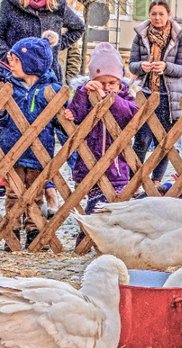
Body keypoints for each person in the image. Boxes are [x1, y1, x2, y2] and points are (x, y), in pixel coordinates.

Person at [64, 42, 139, 246]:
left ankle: (114, 240)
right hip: (90, 163)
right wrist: (82, 94)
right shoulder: (86, 95)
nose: (106, 88)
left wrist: (110, 99)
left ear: (120, 82)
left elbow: (129, 114)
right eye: (102, 83)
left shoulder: (126, 98)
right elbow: (76, 114)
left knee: (116, 206)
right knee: (94, 205)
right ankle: (88, 239)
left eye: (112, 83)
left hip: (117, 165)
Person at [0, 32, 62, 251]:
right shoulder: (8, 88)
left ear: (31, 63)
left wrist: (68, 119)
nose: (11, 65)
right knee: (14, 193)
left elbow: (60, 122)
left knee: (35, 193)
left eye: (16, 61)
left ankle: (34, 228)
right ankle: (13, 230)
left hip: (39, 153)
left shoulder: (50, 91)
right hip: (12, 151)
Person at [129, 0, 182, 184]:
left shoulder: (179, 38)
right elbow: (132, 65)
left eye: (161, 14)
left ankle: (155, 181)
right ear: (149, 15)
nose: (157, 18)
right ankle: (135, 180)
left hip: (169, 96)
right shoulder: (140, 36)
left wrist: (166, 66)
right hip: (146, 93)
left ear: (168, 15)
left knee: (164, 143)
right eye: (154, 14)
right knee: (141, 140)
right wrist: (142, 66)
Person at [0, 0, 84, 83]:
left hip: (48, 80)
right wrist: (9, 57)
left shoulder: (58, 5)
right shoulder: (9, 4)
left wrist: (56, 45)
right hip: (14, 78)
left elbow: (78, 28)